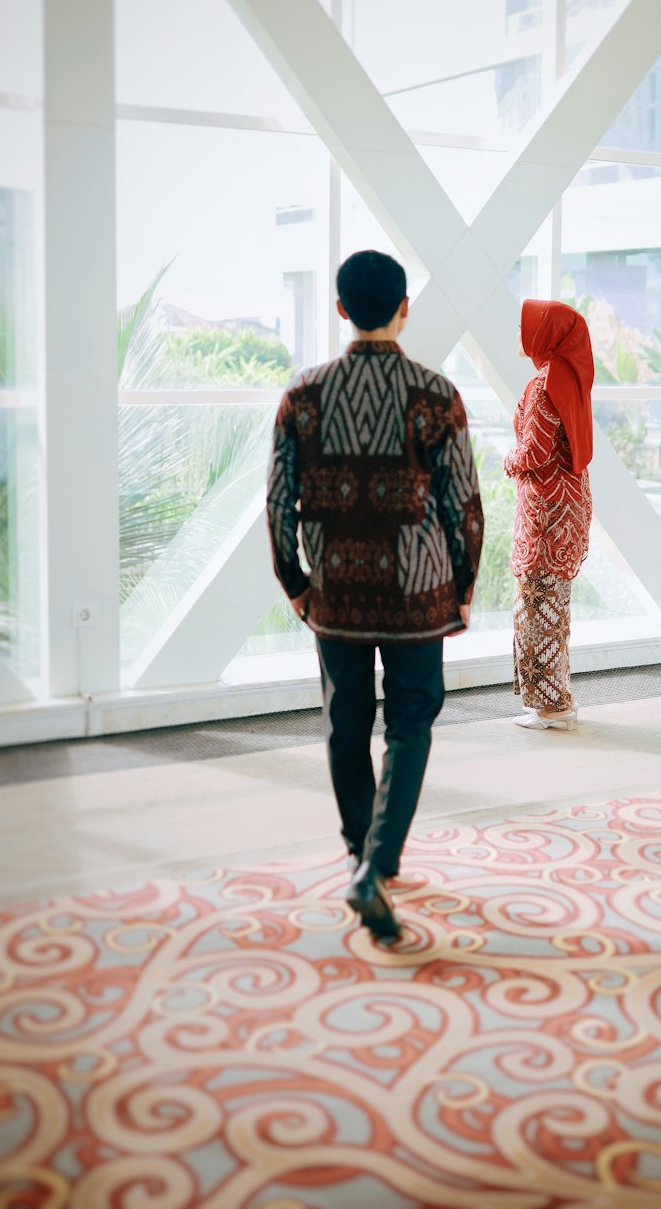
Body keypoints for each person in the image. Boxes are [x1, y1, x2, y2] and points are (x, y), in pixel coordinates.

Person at [267, 249, 484, 942]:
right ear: (404, 308)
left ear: (340, 310)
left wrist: (297, 586)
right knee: (411, 724)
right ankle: (377, 866)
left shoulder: (302, 395)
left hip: (334, 592)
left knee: (346, 723)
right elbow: (464, 503)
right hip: (416, 594)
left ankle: (360, 849)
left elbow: (277, 502)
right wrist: (466, 582)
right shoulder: (435, 395)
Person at [503, 299, 594, 731]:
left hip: (545, 513)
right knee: (553, 605)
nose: (521, 335)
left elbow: (534, 452)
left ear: (544, 335)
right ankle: (557, 700)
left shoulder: (542, 385)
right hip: (569, 505)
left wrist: (507, 461)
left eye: (527, 328)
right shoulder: (570, 377)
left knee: (537, 603)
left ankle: (551, 706)